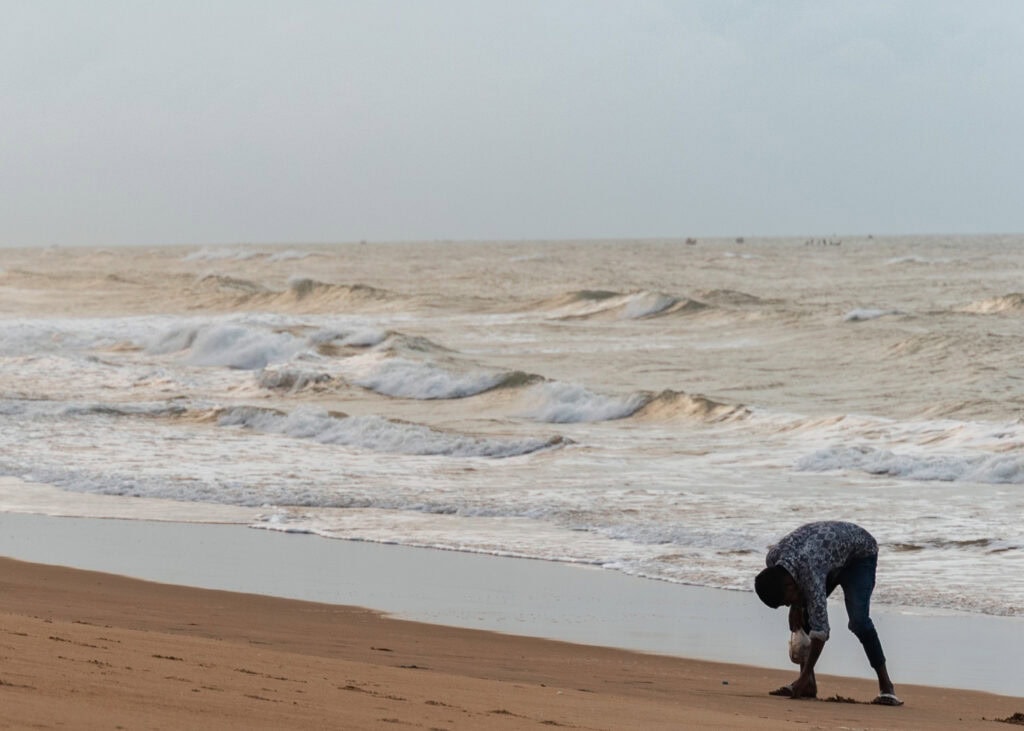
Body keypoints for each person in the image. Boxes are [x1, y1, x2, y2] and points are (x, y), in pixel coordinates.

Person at [754, 521, 903, 706]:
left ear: (789, 585)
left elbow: (821, 631)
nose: (788, 605)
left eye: (787, 601)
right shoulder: (774, 559)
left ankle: (887, 688)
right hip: (829, 554)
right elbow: (799, 591)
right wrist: (796, 607)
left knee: (859, 621)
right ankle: (807, 685)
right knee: (805, 611)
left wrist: (799, 606)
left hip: (859, 555)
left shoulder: (810, 572)